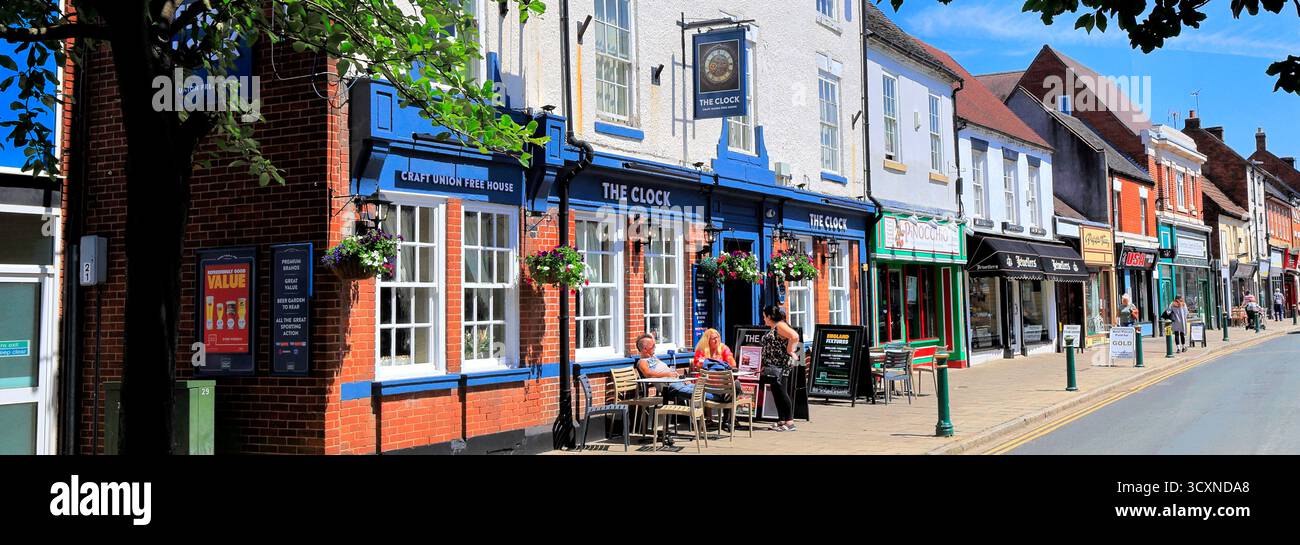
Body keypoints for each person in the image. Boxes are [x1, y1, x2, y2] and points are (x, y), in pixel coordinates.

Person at [760, 305, 801, 432]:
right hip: (772, 366)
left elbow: (794, 336)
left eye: (764, 316)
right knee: (777, 393)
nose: (763, 318)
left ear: (769, 316)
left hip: (780, 365)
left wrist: (790, 350)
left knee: (782, 392)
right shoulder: (774, 327)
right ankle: (781, 420)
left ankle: (790, 422)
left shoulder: (779, 325)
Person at [635, 334, 693, 405]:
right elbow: (648, 374)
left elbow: (669, 371)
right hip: (670, 387)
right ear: (645, 349)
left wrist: (682, 379)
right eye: (653, 346)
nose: (655, 347)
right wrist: (667, 374)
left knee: (703, 390)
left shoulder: (654, 357)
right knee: (700, 394)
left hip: (680, 382)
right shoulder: (642, 362)